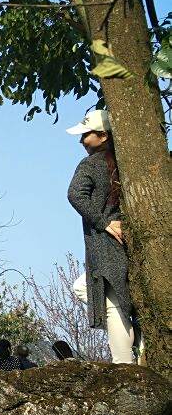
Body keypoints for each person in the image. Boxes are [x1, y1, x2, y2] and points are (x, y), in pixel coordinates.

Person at [66, 110, 138, 364]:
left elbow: (75, 194)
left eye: (86, 134)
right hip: (122, 242)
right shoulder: (125, 161)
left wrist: (102, 222)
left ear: (103, 136)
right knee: (114, 300)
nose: (82, 140)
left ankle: (125, 363)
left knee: (114, 304)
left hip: (105, 243)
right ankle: (134, 344)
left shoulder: (91, 163)